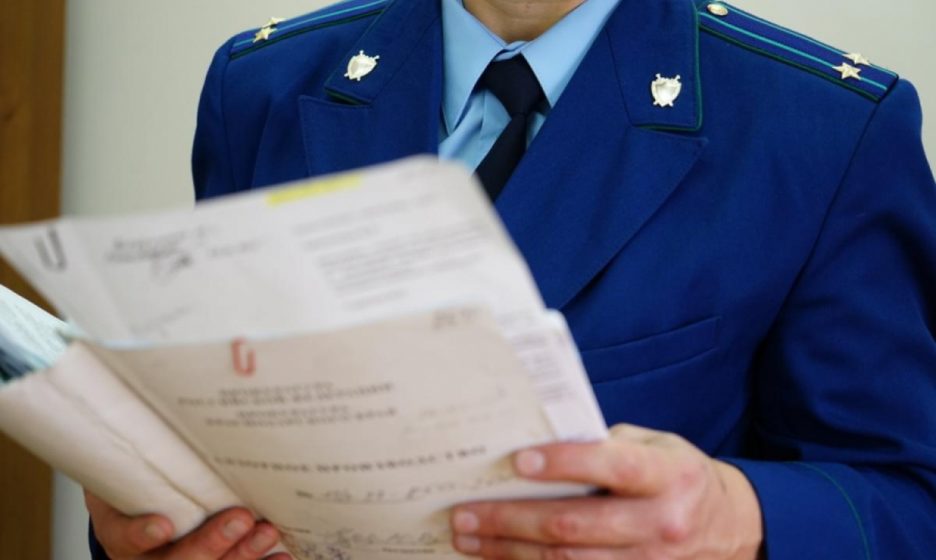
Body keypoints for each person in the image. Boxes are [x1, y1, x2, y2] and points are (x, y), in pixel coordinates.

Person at [87, 0, 936, 558]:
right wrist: (150, 521)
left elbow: (909, 498)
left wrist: (738, 516)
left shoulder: (825, 129)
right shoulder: (261, 87)